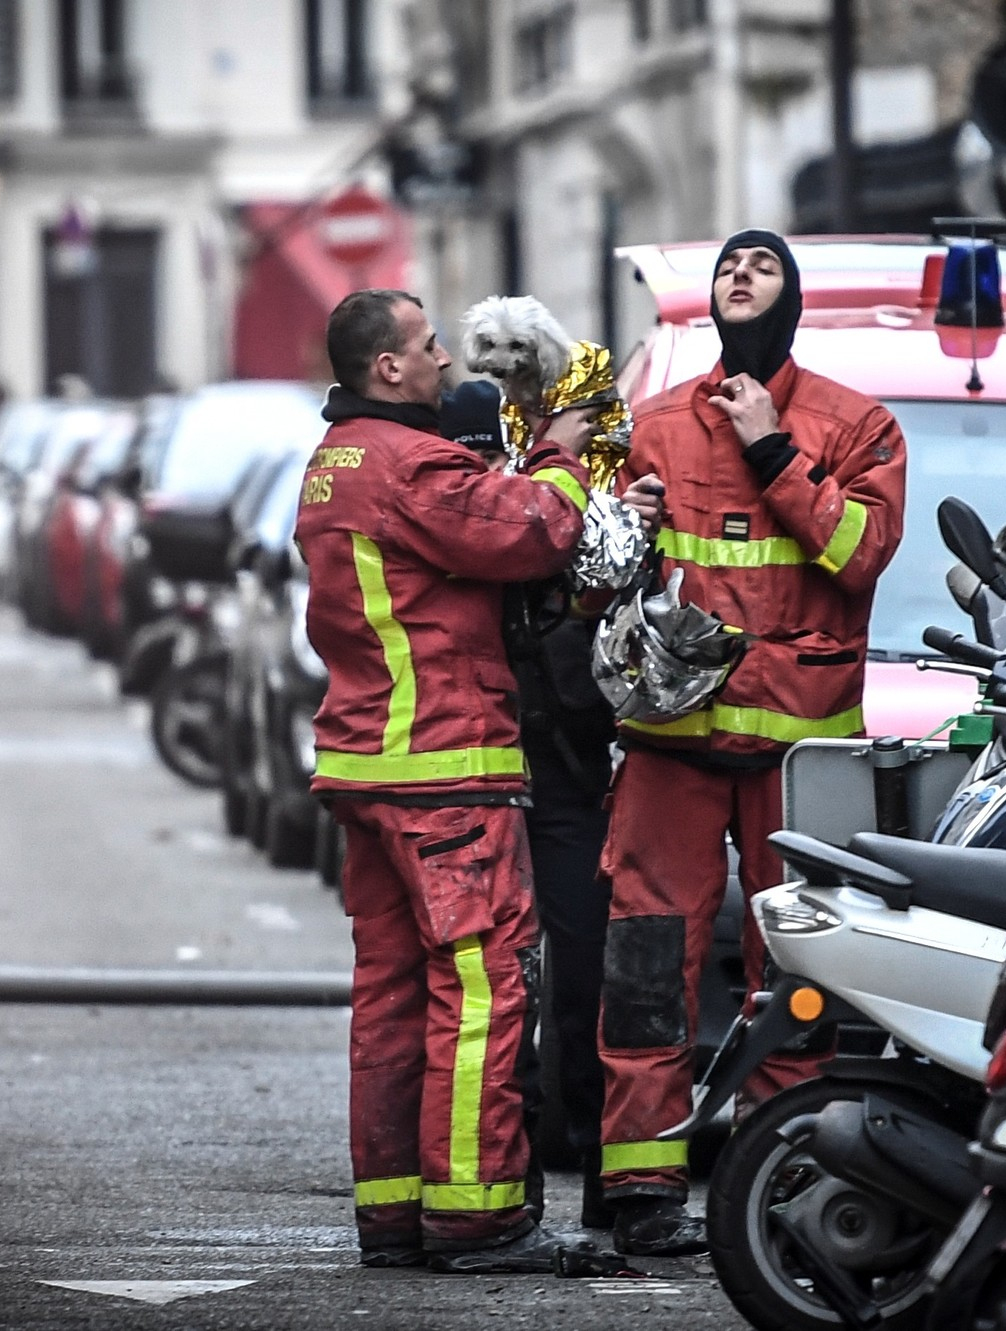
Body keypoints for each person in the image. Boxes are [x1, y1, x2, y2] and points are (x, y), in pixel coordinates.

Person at [596, 230, 909, 1254]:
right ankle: (641, 1188)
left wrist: (775, 448)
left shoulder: (856, 426)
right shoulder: (653, 427)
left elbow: (860, 552)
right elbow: (603, 573)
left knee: (800, 965)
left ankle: (789, 1173)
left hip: (797, 751)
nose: (741, 276)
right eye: (731, 263)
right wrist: (621, 521)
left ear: (792, 296)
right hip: (674, 738)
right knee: (647, 957)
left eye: (762, 265)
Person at [296, 289, 593, 1274]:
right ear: (387, 366)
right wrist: (560, 452)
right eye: (429, 347)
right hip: (444, 767)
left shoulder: (334, 463)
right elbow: (533, 533)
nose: (444, 363)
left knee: (389, 995)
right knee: (481, 987)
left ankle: (392, 1212)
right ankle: (476, 1216)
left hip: (365, 762)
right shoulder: (409, 462)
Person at [439, 379, 620, 1232]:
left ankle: (592, 1172)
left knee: (583, 980)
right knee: (497, 989)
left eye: (487, 452)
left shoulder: (543, 502)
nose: (477, 468)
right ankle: (505, 1189)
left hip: (561, 775)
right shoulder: (470, 510)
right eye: (465, 453)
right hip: (480, 775)